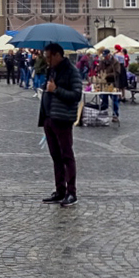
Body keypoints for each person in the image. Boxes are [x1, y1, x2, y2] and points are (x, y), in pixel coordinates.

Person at [37, 43, 83, 206]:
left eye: (49, 57)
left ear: (58, 55)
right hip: (49, 118)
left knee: (66, 156)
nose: (47, 60)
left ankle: (72, 192)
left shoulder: (71, 71)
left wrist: (56, 90)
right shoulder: (52, 70)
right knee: (56, 156)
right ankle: (60, 190)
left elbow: (77, 95)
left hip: (62, 119)